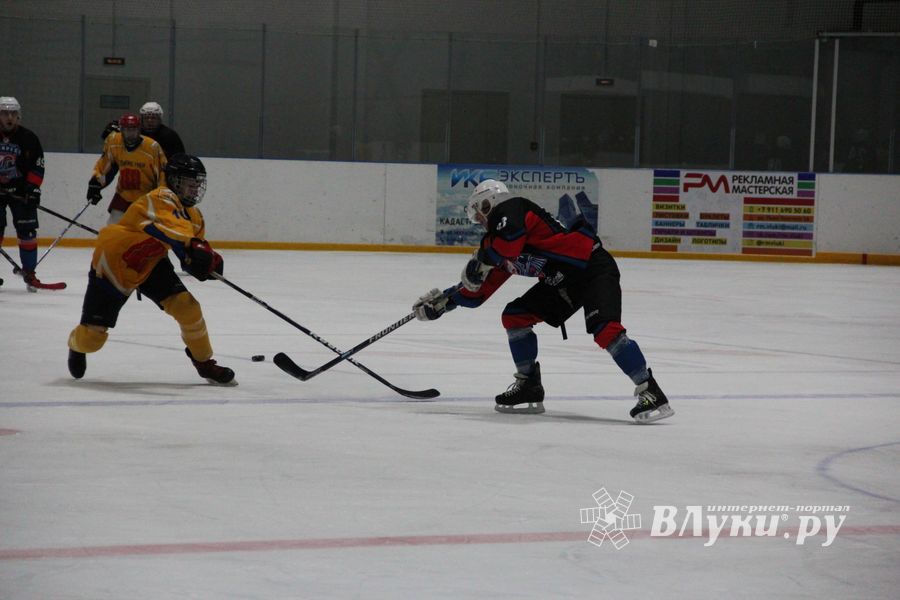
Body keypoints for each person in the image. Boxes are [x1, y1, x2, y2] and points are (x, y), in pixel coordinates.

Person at [412, 179, 673, 423]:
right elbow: (478, 292)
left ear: (488, 203)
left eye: (479, 214)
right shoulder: (496, 245)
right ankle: (529, 386)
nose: (479, 221)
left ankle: (650, 391)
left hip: (592, 267)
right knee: (515, 316)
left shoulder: (512, 209)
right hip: (563, 281)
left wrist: (482, 258)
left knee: (605, 329)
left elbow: (510, 241)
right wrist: (444, 302)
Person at [67, 153, 236, 386]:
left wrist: (206, 263)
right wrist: (195, 247)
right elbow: (176, 232)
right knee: (92, 339)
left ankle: (204, 362)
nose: (195, 188)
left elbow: (187, 253)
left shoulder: (195, 217)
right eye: (190, 182)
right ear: (174, 181)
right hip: (115, 263)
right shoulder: (160, 197)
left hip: (151, 261)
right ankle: (75, 344)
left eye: (198, 183)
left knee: (188, 308)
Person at [0, 96, 49, 291]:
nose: (9, 117)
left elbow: (38, 165)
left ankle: (29, 272)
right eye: (5, 113)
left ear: (18, 116)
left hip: (21, 192)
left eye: (13, 113)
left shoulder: (29, 138)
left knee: (27, 232)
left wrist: (33, 188)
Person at [87, 113, 166, 224]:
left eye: (133, 130)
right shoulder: (114, 141)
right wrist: (96, 184)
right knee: (113, 226)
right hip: (123, 195)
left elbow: (162, 174)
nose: (130, 134)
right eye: (127, 130)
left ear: (139, 130)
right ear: (121, 130)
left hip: (146, 196)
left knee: (143, 230)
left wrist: (162, 197)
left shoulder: (152, 147)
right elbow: (104, 165)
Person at [101, 101, 185, 160]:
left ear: (160, 119)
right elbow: (107, 139)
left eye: (153, 118)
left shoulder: (170, 136)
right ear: (141, 119)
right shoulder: (134, 131)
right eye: (146, 118)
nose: (149, 121)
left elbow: (180, 158)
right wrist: (110, 131)